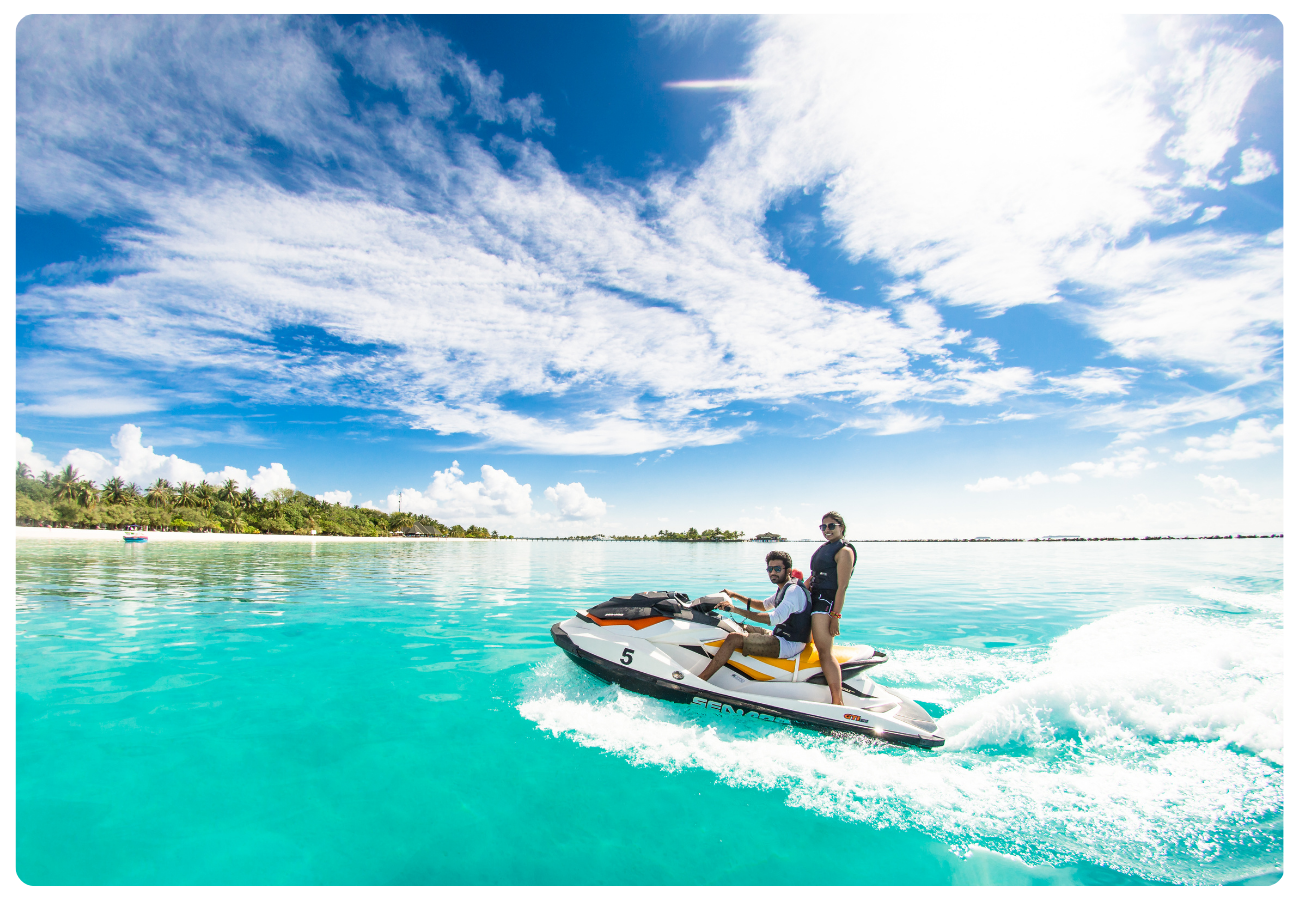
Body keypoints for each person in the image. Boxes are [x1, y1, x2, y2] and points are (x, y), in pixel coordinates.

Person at [697, 551, 811, 683]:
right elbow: (764, 605)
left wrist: (735, 610)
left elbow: (773, 618)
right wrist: (735, 595)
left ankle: (701, 680)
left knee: (733, 638)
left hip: (789, 645)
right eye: (770, 569)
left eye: (777, 569)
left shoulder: (793, 591)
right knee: (733, 626)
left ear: (789, 571)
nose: (773, 572)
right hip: (780, 635)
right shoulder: (784, 588)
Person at [806, 511, 856, 705]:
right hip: (813, 599)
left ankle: (837, 700)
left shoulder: (844, 551)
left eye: (831, 526)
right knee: (808, 643)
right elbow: (814, 575)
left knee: (825, 652)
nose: (827, 530)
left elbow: (842, 587)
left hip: (825, 604)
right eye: (823, 526)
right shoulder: (825, 548)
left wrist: (835, 616)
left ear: (841, 527)